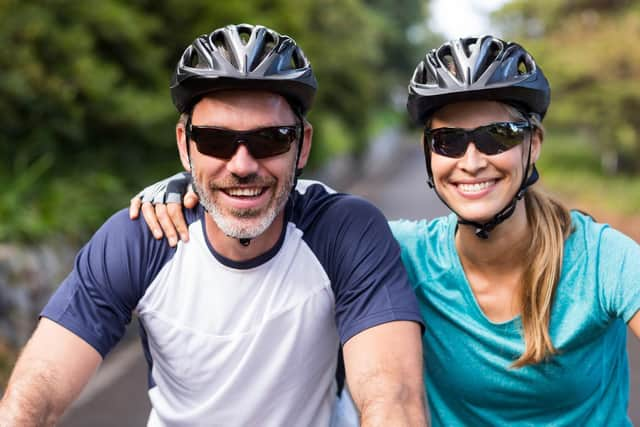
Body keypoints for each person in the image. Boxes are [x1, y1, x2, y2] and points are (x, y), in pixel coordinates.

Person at [133, 35, 640, 426]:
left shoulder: (602, 258)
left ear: (535, 144)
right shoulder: (397, 252)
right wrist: (188, 183)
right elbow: (273, 207)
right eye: (448, 141)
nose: (471, 160)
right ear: (428, 151)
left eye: (496, 136)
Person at [0, 24, 427, 427]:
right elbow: (34, 393)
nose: (242, 165)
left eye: (271, 139)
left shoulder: (344, 231)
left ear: (302, 147)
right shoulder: (139, 237)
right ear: (185, 147)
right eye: (216, 141)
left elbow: (392, 399)